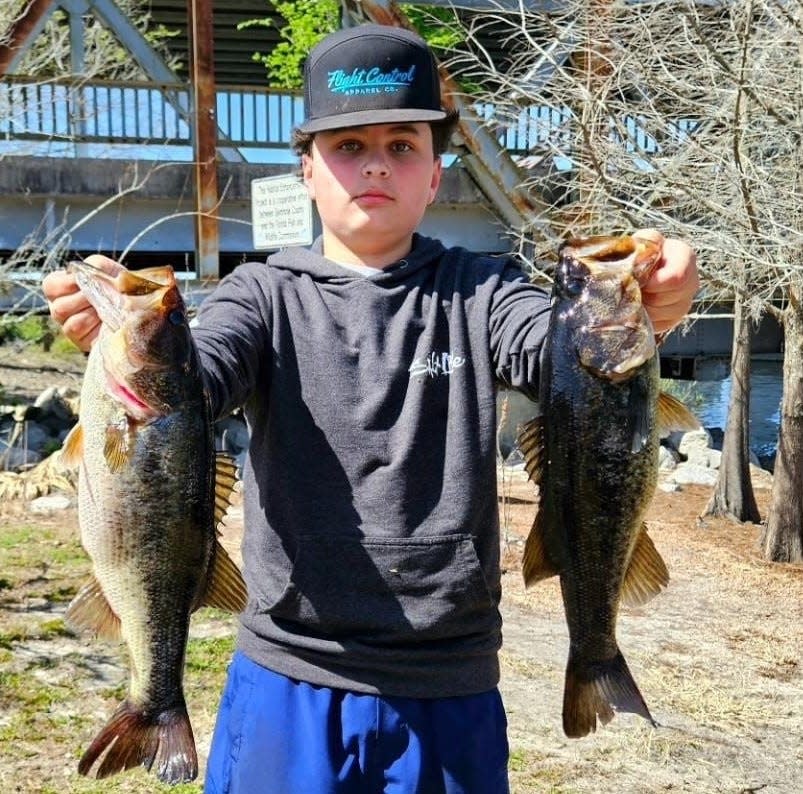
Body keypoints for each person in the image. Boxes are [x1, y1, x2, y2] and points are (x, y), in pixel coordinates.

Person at [43, 24, 699, 794]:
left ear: (434, 176)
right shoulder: (259, 296)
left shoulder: (482, 291)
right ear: (306, 172)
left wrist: (654, 305)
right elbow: (199, 377)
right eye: (348, 146)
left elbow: (555, 350)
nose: (375, 165)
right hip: (287, 672)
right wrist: (124, 344)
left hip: (448, 684)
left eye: (401, 145)